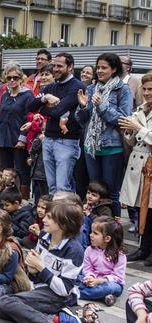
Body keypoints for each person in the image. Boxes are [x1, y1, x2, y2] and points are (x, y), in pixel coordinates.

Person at [0, 200, 85, 322]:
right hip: (39, 288)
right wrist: (32, 268)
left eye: (49, 217)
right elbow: (35, 273)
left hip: (60, 296)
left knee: (5, 303)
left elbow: (65, 290)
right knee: (0, 307)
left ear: (64, 223)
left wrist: (41, 267)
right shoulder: (44, 237)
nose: (43, 220)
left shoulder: (74, 250)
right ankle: (51, 318)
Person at [76, 53, 133, 218]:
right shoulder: (91, 88)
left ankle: (112, 229)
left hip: (112, 147)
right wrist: (82, 107)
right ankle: (95, 227)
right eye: (98, 67)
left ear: (114, 69)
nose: (99, 71)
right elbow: (82, 121)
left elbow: (124, 119)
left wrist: (101, 106)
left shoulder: (123, 89)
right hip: (91, 147)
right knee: (94, 191)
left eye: (104, 68)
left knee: (111, 192)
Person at [27, 52, 87, 194]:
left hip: (66, 142)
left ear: (71, 67)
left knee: (62, 187)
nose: (55, 69)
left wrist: (42, 109)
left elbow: (57, 112)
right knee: (51, 187)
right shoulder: (50, 87)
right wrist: (45, 98)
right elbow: (30, 106)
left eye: (60, 66)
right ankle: (54, 215)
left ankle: (65, 216)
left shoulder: (77, 87)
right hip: (48, 139)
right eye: (54, 66)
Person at [119, 72, 152, 265]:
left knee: (151, 209)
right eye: (145, 89)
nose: (147, 93)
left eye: (151, 89)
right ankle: (143, 248)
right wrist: (129, 131)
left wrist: (138, 128)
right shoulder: (141, 108)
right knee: (140, 207)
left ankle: (148, 249)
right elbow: (132, 141)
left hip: (149, 165)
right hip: (138, 165)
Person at [0, 64, 33, 198]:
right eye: (9, 77)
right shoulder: (5, 95)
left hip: (18, 137)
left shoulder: (27, 95)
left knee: (22, 170)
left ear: (21, 78)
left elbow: (29, 118)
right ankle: (7, 198)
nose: (12, 80)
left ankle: (23, 199)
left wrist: (23, 138)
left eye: (15, 77)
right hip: (3, 137)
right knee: (6, 170)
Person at [79, 216, 126, 306]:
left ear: (107, 238)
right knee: (77, 276)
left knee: (108, 288)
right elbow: (87, 268)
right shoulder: (89, 250)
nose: (90, 235)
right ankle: (104, 297)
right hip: (93, 280)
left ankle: (77, 293)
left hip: (111, 283)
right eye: (91, 232)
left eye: (95, 233)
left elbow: (118, 277)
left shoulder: (119, 254)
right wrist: (90, 277)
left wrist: (100, 280)